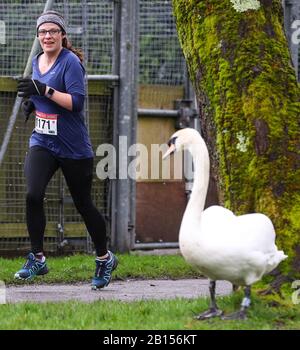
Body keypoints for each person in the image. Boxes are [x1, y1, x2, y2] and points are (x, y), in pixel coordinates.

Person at [15, 10, 118, 290]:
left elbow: (76, 103)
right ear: (38, 36)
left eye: (53, 31)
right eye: (42, 32)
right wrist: (34, 102)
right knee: (32, 194)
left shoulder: (70, 62)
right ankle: (37, 257)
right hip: (42, 142)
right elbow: (42, 94)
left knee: (84, 205)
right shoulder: (37, 61)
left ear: (62, 35)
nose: (47, 36)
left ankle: (104, 257)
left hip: (72, 147)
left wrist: (43, 90)